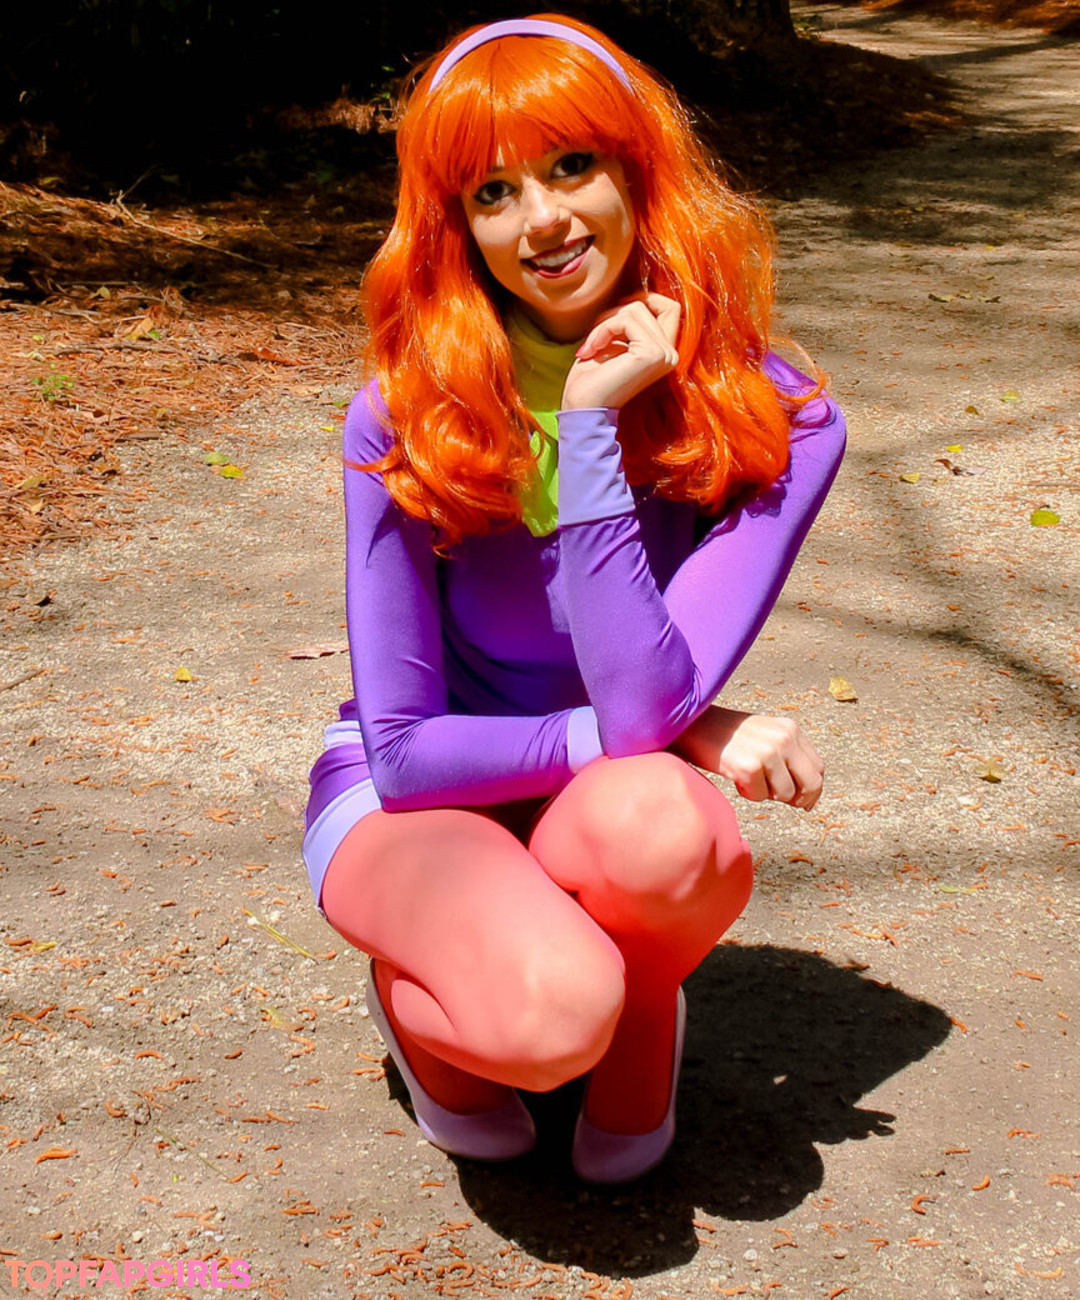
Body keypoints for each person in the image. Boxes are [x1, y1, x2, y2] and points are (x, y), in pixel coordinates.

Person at [302, 13, 846, 1183]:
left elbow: (641, 700)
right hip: (415, 805)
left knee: (673, 834)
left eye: (570, 165)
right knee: (547, 1019)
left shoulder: (780, 419)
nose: (541, 220)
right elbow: (405, 751)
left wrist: (590, 425)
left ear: (640, 173)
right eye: (493, 192)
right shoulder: (401, 414)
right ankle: (427, 1010)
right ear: (457, 226)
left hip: (606, 795)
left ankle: (641, 998)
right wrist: (684, 730)